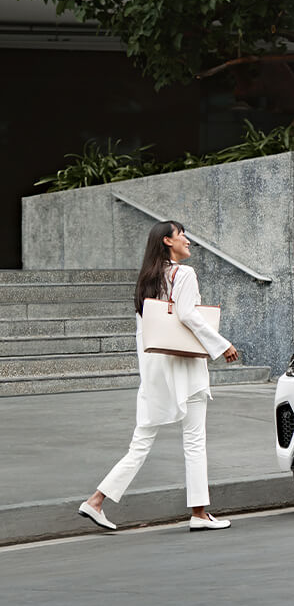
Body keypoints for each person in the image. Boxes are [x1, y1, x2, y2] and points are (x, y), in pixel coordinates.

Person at [77, 220, 239, 531]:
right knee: (194, 441)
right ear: (167, 241)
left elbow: (145, 332)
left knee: (140, 444)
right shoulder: (184, 274)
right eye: (182, 235)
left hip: (155, 373)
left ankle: (96, 501)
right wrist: (222, 345)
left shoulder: (147, 279)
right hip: (185, 368)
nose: (188, 240)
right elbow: (188, 314)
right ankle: (199, 514)